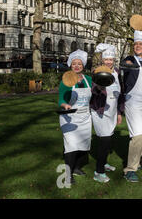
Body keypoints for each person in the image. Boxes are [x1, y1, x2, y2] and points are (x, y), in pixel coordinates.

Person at [120, 31, 142, 182]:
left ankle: (141, 162)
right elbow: (125, 66)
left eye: (141, 44)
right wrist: (128, 64)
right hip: (133, 102)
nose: (138, 46)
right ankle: (130, 169)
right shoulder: (129, 59)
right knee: (137, 135)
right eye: (136, 44)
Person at [58, 49, 92, 185]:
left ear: (83, 66)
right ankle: (68, 174)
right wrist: (64, 105)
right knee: (71, 146)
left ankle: (77, 167)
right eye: (74, 64)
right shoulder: (66, 80)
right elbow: (61, 98)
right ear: (70, 66)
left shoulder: (88, 80)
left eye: (79, 64)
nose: (77, 66)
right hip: (70, 117)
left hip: (85, 118)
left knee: (83, 145)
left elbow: (95, 94)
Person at [89, 43, 122, 183]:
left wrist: (119, 112)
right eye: (106, 59)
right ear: (102, 60)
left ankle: (104, 163)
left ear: (114, 60)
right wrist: (99, 85)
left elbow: (121, 93)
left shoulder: (117, 72)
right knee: (104, 140)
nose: (108, 62)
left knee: (109, 139)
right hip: (100, 110)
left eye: (111, 60)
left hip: (112, 111)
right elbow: (94, 92)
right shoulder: (97, 71)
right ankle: (98, 171)